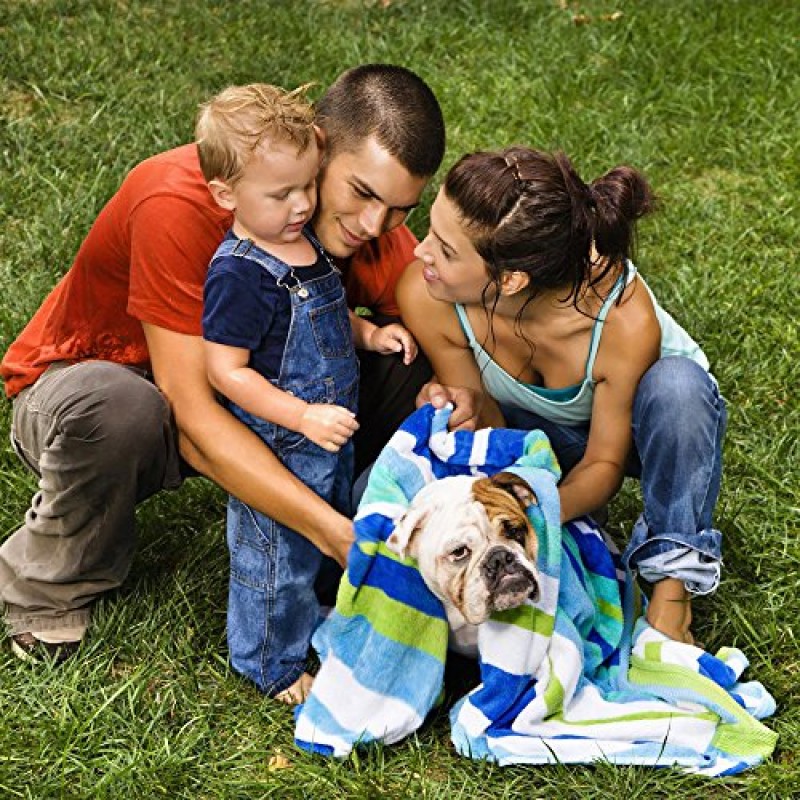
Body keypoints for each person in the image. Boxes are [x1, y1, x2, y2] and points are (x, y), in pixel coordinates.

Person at [0, 64, 444, 664]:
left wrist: (454, 387)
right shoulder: (177, 201)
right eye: (362, 194)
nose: (374, 225)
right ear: (317, 145)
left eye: (398, 209)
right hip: (101, 386)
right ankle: (45, 587)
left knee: (409, 363)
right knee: (125, 410)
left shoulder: (365, 219)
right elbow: (192, 416)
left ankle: (362, 534)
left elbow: (435, 308)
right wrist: (332, 532)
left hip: (249, 391)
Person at [400, 147, 726, 644]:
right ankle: (583, 540)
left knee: (679, 387)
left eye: (444, 250)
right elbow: (491, 426)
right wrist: (462, 413)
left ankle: (671, 590)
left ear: (510, 280)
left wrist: (529, 512)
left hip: (649, 436)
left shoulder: (622, 319)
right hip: (536, 435)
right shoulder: (427, 294)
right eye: (431, 232)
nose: (420, 252)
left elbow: (604, 465)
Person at [197, 83, 417, 702]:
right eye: (280, 194)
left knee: (317, 537)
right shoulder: (240, 272)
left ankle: (315, 616)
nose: (300, 205)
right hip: (280, 441)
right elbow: (226, 371)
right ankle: (268, 662)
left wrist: (369, 334)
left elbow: (327, 311)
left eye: (306, 187)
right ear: (225, 193)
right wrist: (301, 415)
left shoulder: (303, 244)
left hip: (326, 430)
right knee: (274, 558)